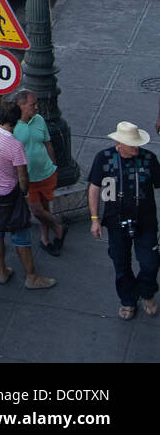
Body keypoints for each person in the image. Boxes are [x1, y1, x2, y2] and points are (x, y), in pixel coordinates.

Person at [0, 100, 57, 289]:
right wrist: (25, 194)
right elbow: (22, 177)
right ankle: (31, 277)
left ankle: (2, 272)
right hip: (10, 196)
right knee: (21, 236)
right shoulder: (15, 145)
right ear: (16, 120)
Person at [88, 122, 160, 319]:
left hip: (145, 222)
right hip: (116, 222)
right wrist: (95, 219)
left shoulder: (149, 159)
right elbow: (94, 188)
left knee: (150, 263)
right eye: (132, 144)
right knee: (121, 264)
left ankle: (146, 291)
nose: (136, 147)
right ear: (119, 143)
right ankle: (128, 299)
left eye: (137, 143)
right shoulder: (104, 158)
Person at [12, 90, 66, 255]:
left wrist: (53, 165)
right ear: (20, 105)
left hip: (46, 173)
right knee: (36, 210)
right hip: (27, 178)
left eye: (36, 103)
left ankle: (45, 239)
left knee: (45, 208)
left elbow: (47, 144)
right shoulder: (13, 126)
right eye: (32, 105)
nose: (37, 107)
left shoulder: (39, 120)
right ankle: (58, 227)